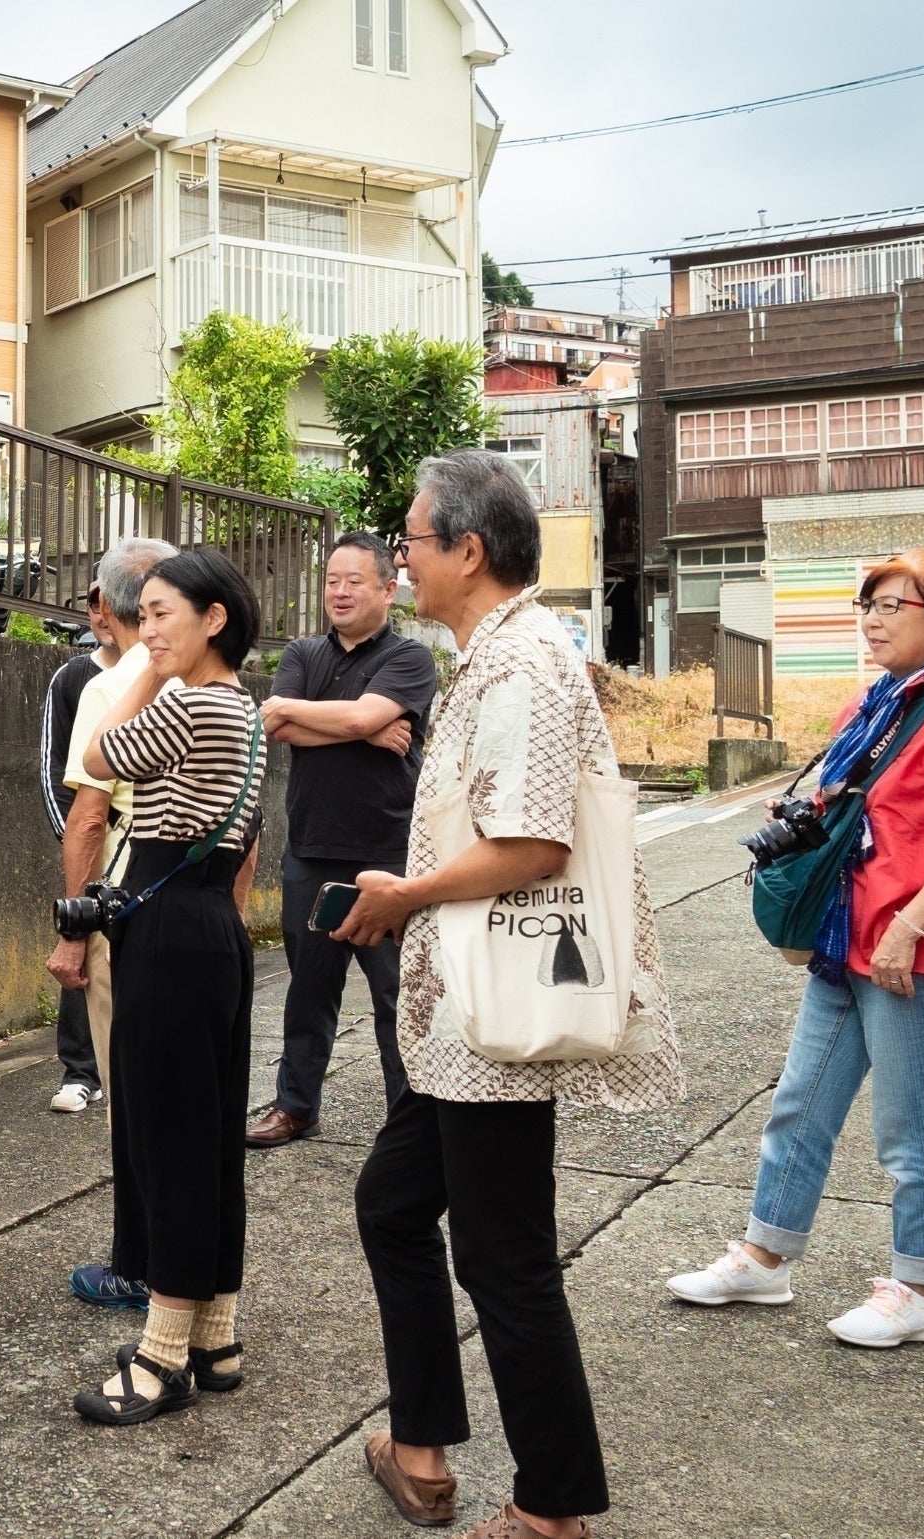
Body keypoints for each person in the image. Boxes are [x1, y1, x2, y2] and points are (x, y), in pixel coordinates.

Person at [333, 452, 680, 1539]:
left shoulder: (524, 663)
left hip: (495, 1018)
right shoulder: (491, 657)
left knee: (505, 1257)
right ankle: (424, 1448)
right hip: (458, 1026)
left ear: (467, 552)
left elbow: (531, 845)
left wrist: (405, 894)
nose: (401, 558)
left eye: (411, 540)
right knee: (394, 1205)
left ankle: (551, 1508)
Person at [668, 550, 924, 1352]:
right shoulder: (872, 704)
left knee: (908, 1127)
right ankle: (764, 1255)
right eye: (869, 604)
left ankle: (921, 1289)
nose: (874, 619)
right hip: (844, 938)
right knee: (801, 1103)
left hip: (906, 949)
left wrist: (908, 926)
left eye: (894, 605)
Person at [70, 550, 267, 1426]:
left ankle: (160, 1355)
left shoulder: (188, 699)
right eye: (139, 618)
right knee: (212, 1130)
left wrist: (145, 674)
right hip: (212, 925)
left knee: (168, 1138)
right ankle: (215, 1334)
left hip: (168, 929)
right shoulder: (247, 710)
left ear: (213, 618)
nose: (144, 632)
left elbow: (97, 751)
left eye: (160, 615)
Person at [250, 530, 436, 1147]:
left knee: (394, 995)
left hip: (387, 854)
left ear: (389, 588)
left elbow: (327, 715)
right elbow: (276, 723)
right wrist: (364, 728)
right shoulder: (303, 652)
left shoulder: (409, 659)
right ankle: (295, 1106)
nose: (340, 591)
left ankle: (407, 1121)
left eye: (355, 581)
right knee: (307, 990)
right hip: (311, 849)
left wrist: (328, 717)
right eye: (332, 580)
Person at [46, 536, 177, 1312]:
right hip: (194, 911)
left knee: (130, 1097)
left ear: (107, 605)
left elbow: (87, 818)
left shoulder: (111, 687)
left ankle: (139, 1264)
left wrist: (73, 930)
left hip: (125, 908)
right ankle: (188, 1271)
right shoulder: (209, 679)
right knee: (185, 1097)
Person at [39, 586, 116, 1114]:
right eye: (93, 604)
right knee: (77, 940)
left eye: (112, 601)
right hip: (87, 835)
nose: (103, 613)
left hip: (143, 842)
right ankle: (79, 1069)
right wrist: (74, 836)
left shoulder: (168, 673)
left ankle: (120, 1064)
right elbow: (52, 770)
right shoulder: (73, 678)